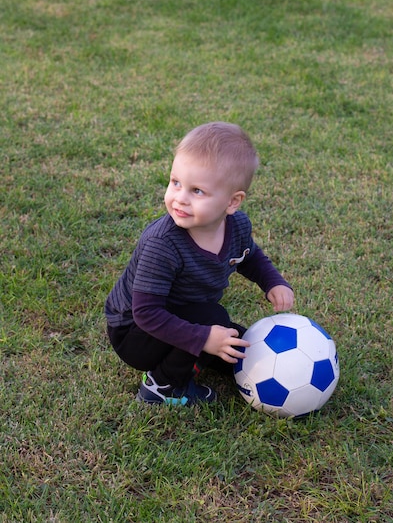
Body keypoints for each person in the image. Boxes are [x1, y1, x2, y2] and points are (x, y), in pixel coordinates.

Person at [105, 122, 294, 406]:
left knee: (239, 341)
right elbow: (145, 313)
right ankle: (163, 385)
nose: (180, 197)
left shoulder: (237, 226)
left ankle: (210, 352)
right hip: (134, 332)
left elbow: (249, 255)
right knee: (212, 321)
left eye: (197, 191)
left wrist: (273, 282)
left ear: (232, 202)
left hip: (180, 313)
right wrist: (203, 337)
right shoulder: (163, 244)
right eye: (175, 182)